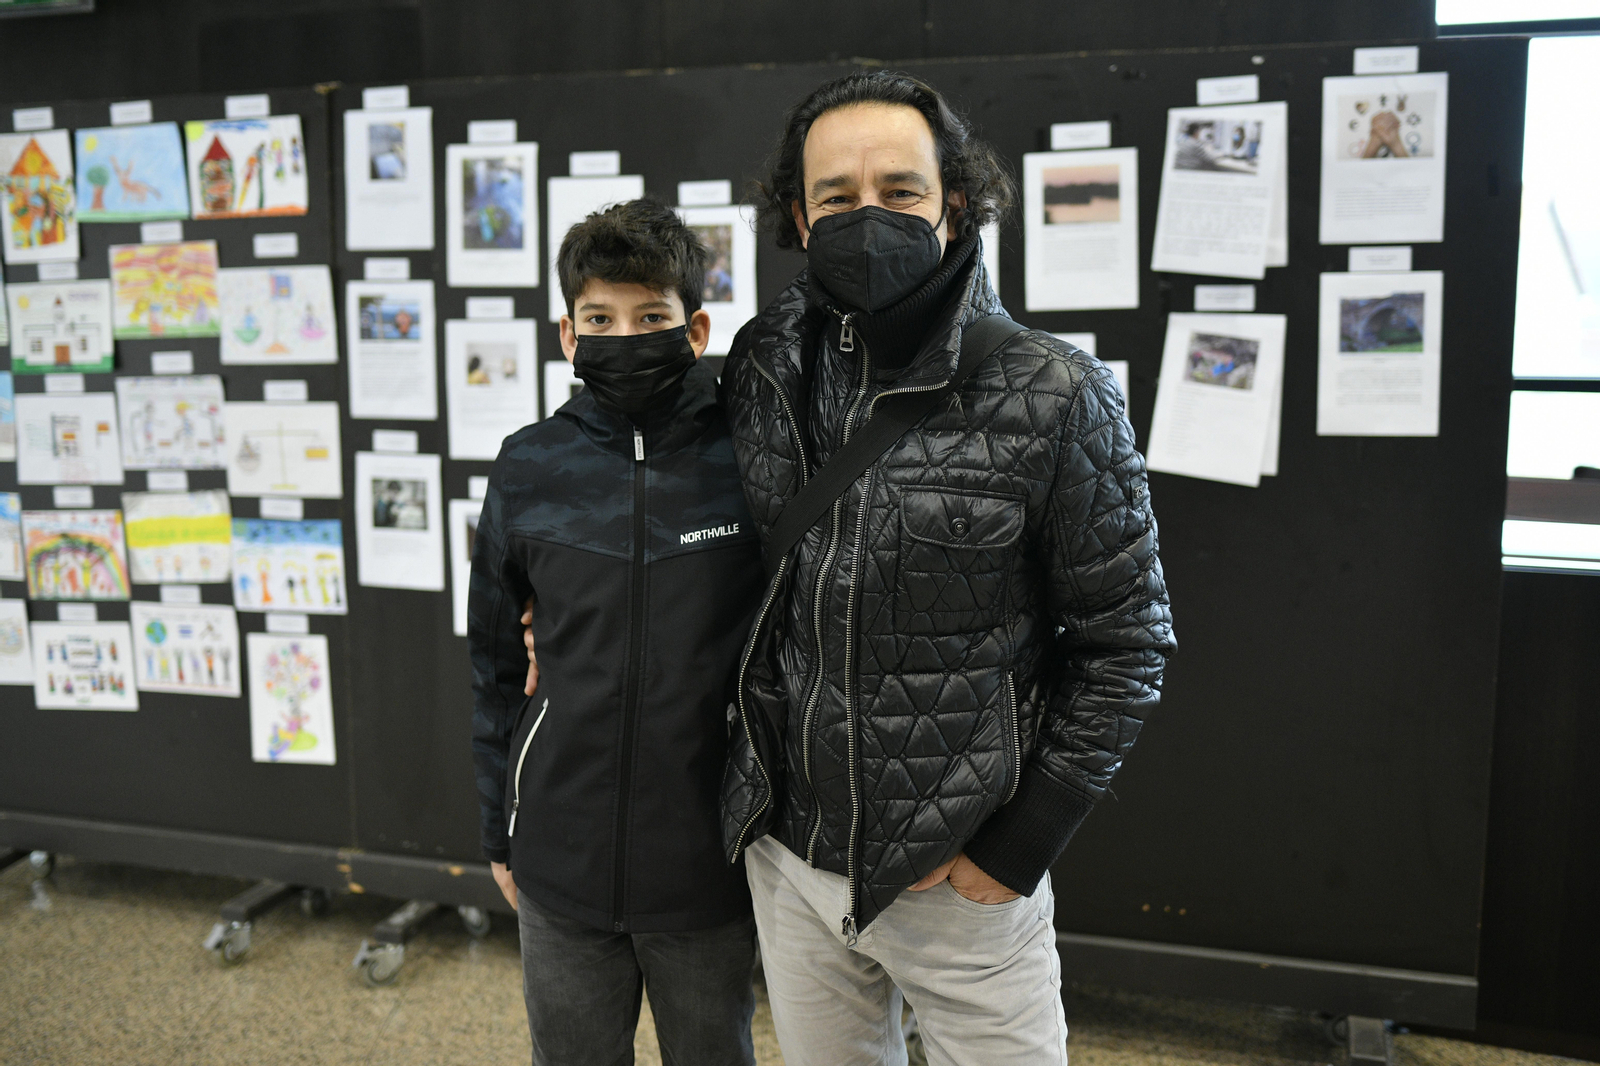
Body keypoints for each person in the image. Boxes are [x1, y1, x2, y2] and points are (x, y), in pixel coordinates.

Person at [719, 70, 1177, 1065]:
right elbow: (719, 556)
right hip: (791, 857)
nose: (865, 214)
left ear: (954, 201)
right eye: (835, 198)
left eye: (900, 190)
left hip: (957, 876)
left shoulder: (1056, 391)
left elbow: (1125, 642)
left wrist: (1015, 849)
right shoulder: (759, 366)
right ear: (796, 215)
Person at [470, 199, 764, 1066]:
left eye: (651, 317)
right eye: (600, 318)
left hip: (708, 867)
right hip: (559, 861)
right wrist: (498, 830)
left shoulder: (749, 459)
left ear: (697, 327)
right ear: (568, 335)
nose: (623, 335)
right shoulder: (529, 467)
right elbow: (491, 666)